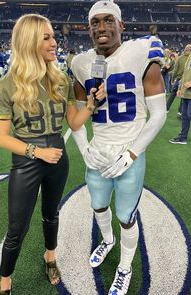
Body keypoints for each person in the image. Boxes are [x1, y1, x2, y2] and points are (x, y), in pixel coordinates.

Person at [0, 14, 105, 294]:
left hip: (57, 157)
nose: (55, 42)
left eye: (53, 36)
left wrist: (90, 105)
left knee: (51, 214)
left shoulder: (60, 78)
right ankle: (5, 282)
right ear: (29, 41)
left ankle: (50, 257)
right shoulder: (8, 84)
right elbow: (1, 137)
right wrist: (37, 152)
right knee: (17, 228)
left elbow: (74, 123)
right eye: (46, 37)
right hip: (27, 160)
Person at [71, 1, 167, 294]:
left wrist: (132, 153)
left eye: (108, 20)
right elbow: (76, 117)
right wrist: (85, 148)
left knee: (126, 217)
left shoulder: (141, 53)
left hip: (129, 153)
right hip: (98, 152)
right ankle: (107, 240)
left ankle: (125, 266)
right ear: (89, 28)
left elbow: (159, 113)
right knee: (98, 205)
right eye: (95, 22)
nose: (101, 27)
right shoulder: (80, 63)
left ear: (121, 25)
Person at [169, 33, 191, 148]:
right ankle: (182, 137)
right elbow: (185, 72)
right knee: (184, 116)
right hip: (186, 91)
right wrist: (180, 88)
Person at [166, 44, 191, 116]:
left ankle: (166, 108)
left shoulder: (180, 58)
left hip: (178, 80)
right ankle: (180, 111)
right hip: (186, 80)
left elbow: (175, 70)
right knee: (183, 96)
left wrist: (172, 79)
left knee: (173, 94)